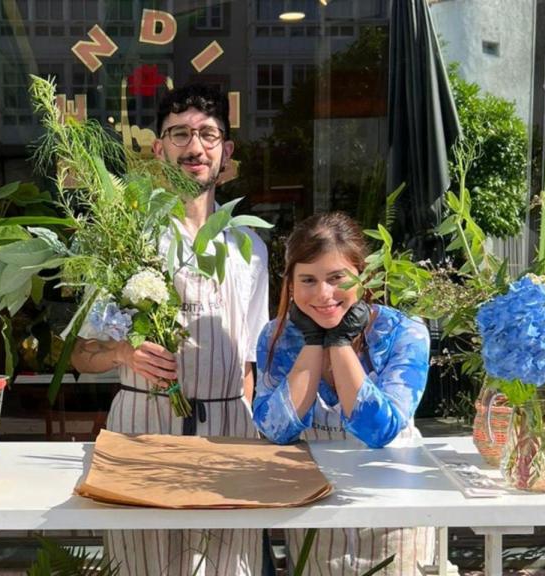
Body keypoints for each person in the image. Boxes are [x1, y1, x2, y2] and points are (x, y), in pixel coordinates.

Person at [70, 84, 269, 575]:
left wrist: (242, 439)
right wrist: (122, 354)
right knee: (141, 564)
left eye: (207, 133)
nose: (194, 147)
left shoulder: (250, 246)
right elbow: (81, 355)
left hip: (227, 433)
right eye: (179, 134)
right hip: (141, 427)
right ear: (158, 148)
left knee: (228, 566)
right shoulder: (127, 238)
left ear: (226, 151)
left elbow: (249, 364)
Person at [253, 212, 435, 576]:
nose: (323, 294)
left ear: (362, 274)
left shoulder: (404, 333)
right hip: (316, 523)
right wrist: (312, 343)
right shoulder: (277, 337)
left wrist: (338, 342)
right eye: (308, 279)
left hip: (394, 518)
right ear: (290, 282)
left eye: (336, 278)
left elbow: (380, 430)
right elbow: (276, 430)